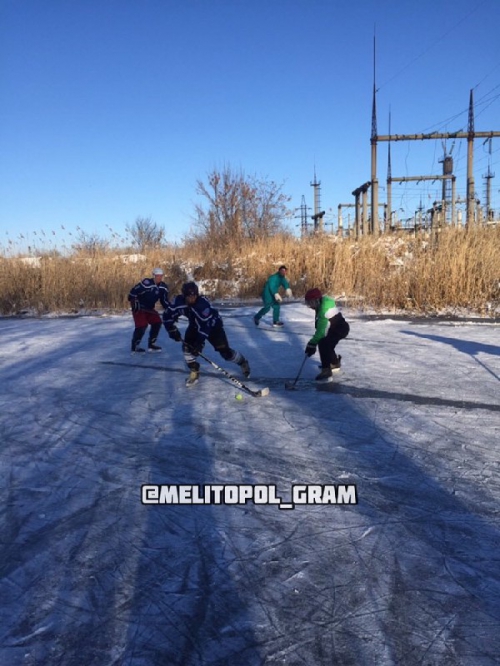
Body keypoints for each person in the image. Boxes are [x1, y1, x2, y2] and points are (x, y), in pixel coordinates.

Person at [163, 281, 251, 386]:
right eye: (189, 297)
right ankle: (194, 371)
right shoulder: (178, 302)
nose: (192, 299)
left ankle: (242, 362)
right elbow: (167, 315)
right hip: (195, 326)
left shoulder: (202, 304)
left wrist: (199, 343)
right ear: (184, 295)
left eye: (194, 296)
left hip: (213, 326)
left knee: (225, 353)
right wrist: (171, 329)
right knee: (187, 347)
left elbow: (206, 326)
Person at [304, 287, 350, 382]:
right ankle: (334, 363)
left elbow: (321, 332)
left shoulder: (323, 310)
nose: (310, 306)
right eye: (308, 303)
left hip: (340, 329)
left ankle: (326, 370)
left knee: (323, 343)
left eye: (311, 303)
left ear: (317, 300)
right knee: (328, 344)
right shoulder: (322, 304)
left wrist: (312, 344)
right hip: (336, 328)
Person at [128, 267, 170, 353]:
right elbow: (132, 293)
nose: (159, 278)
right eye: (157, 276)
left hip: (149, 309)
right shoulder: (146, 283)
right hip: (139, 308)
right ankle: (135, 346)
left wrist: (170, 310)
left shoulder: (163, 287)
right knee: (142, 325)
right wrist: (134, 302)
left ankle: (152, 344)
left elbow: (164, 301)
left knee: (157, 322)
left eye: (161, 276)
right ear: (153, 276)